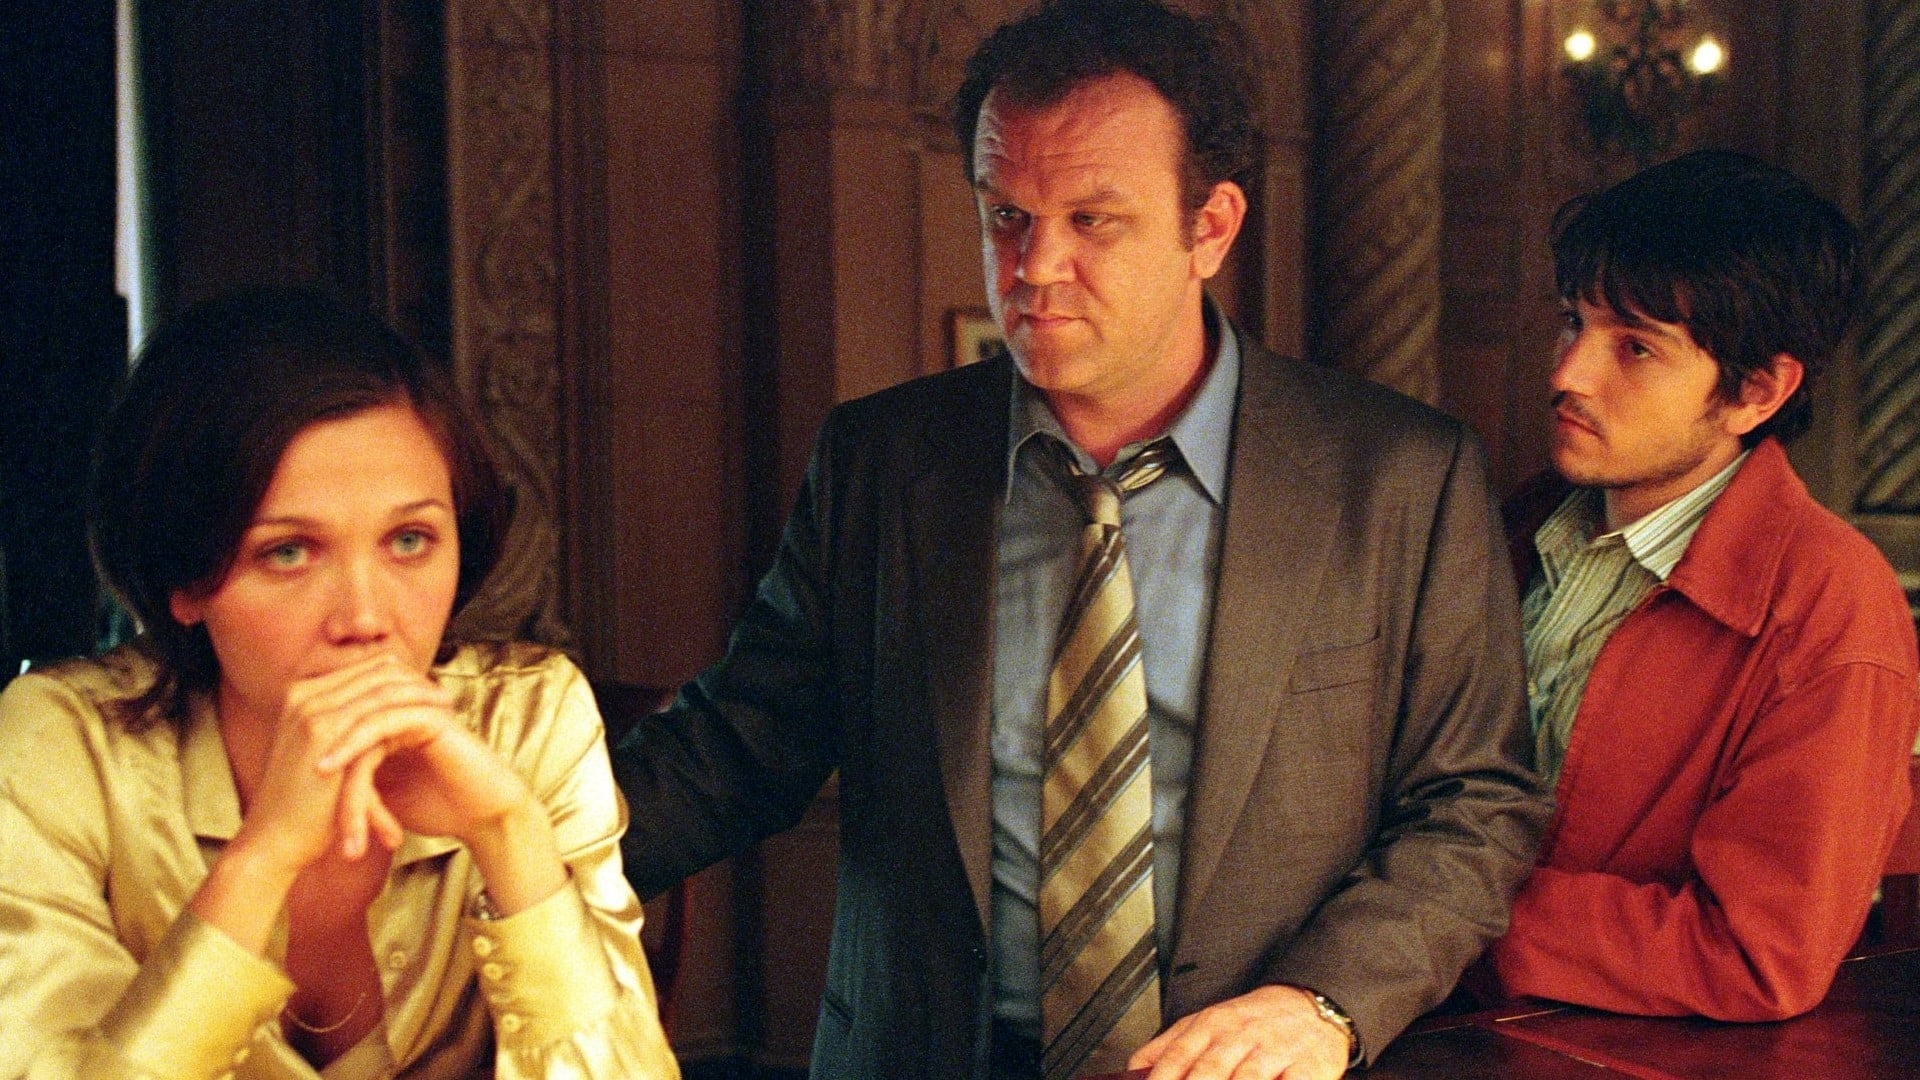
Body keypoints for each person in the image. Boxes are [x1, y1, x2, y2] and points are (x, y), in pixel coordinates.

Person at [611, 1, 1547, 1077]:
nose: (1034, 265)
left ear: (1211, 227)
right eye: (1007, 215)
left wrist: (1323, 1002)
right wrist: (490, 851)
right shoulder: (883, 457)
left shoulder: (1397, 476)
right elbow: (738, 747)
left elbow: (1474, 805)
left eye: (1093, 221)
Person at [0, 288, 679, 1079]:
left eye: (410, 539)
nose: (365, 618)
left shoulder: (529, 718)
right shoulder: (61, 742)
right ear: (183, 580)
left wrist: (508, 834)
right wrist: (260, 863)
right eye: (288, 552)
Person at [1484, 149, 1920, 1021]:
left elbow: (1759, 955)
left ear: (1758, 392)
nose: (1567, 373)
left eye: (1636, 347)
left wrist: (1432, 916)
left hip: (1583, 1043)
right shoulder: (1519, 519)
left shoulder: (1829, 605)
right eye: (1573, 322)